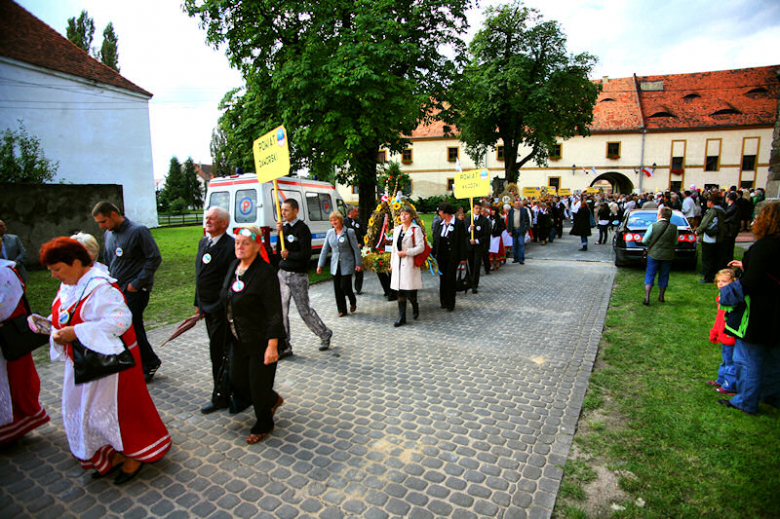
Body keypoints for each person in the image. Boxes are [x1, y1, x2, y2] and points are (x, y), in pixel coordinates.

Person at [43, 237, 171, 484]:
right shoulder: (70, 285)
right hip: (86, 361)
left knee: (121, 410)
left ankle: (136, 453)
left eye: (57, 269)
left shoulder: (100, 287)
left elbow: (120, 320)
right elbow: (66, 312)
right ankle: (113, 451)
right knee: (91, 411)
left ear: (76, 263)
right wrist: (51, 325)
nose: (54, 276)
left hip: (111, 363)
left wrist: (76, 332)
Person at [221, 226, 285, 443]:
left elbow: (274, 312)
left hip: (261, 340)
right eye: (237, 242)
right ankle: (272, 399)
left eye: (246, 243)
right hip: (238, 338)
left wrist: (273, 345)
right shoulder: (234, 266)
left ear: (258, 246)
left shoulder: (265, 273)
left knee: (258, 386)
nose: (240, 247)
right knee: (238, 381)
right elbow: (226, 295)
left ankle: (264, 424)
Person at [719, 201, 780, 414]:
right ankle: (771, 395)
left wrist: (729, 293)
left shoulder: (764, 247)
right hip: (775, 310)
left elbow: (752, 282)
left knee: (748, 359)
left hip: (759, 312)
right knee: (773, 358)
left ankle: (746, 400)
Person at [92, 202, 163, 382]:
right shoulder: (109, 234)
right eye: (99, 223)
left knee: (131, 326)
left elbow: (154, 258)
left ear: (113, 215)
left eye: (103, 221)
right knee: (128, 327)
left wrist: (136, 283)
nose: (101, 226)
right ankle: (140, 362)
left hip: (135, 290)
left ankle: (149, 362)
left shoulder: (138, 231)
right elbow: (109, 260)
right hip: (117, 290)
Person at [0, 260, 50, 445]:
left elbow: (10, 305)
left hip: (8, 338)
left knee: (16, 380)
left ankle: (16, 424)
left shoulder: (4, 272)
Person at [275, 199, 332, 356]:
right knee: (281, 310)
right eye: (282, 210)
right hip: (283, 274)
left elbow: (305, 254)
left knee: (304, 310)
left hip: (298, 275)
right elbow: (280, 251)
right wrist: (279, 234)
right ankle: (284, 345)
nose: (283, 213)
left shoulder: (302, 229)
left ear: (295, 210)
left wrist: (289, 255)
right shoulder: (284, 228)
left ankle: (324, 333)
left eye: (286, 210)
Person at [195, 207, 236, 414]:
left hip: (221, 309)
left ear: (224, 223)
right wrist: (198, 303)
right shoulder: (204, 243)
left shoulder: (230, 246)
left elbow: (230, 280)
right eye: (207, 218)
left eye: (212, 219)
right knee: (216, 351)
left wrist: (223, 305)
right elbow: (199, 275)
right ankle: (224, 391)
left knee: (219, 352)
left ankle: (221, 396)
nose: (208, 221)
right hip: (207, 306)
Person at [317, 211, 362, 317]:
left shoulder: (349, 232)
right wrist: (320, 265)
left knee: (345, 286)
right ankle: (342, 309)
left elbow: (356, 249)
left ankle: (352, 300)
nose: (334, 222)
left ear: (340, 220)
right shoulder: (330, 233)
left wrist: (358, 263)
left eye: (335, 220)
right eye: (332, 221)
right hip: (335, 264)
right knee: (337, 288)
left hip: (347, 262)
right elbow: (325, 249)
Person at [390, 207, 425, 326]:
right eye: (401, 214)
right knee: (400, 292)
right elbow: (394, 249)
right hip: (398, 264)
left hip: (409, 264)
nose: (403, 216)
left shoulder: (415, 229)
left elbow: (421, 247)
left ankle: (415, 305)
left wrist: (407, 252)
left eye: (406, 214)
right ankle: (402, 317)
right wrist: (392, 264)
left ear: (411, 216)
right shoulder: (397, 230)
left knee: (410, 292)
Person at [707, 268, 738, 395]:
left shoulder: (733, 299)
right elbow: (719, 318)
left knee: (731, 361)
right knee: (725, 358)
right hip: (722, 333)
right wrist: (715, 331)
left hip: (730, 334)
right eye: (718, 281)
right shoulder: (721, 297)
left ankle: (730, 386)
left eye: (724, 281)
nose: (720, 284)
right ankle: (721, 380)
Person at [432, 203, 467, 312]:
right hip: (441, 256)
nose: (439, 214)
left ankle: (450, 302)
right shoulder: (439, 224)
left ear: (446, 212)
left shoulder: (459, 224)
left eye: (440, 211)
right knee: (442, 278)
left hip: (453, 256)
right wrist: (432, 254)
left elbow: (462, 241)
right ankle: (443, 301)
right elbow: (436, 240)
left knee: (450, 278)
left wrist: (463, 257)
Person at [640, 207, 678, 305]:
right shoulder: (674, 228)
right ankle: (661, 296)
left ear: (660, 215)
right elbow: (676, 242)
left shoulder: (653, 226)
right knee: (664, 275)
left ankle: (647, 298)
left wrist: (651, 244)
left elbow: (644, 240)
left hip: (653, 254)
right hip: (668, 255)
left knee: (650, 274)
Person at [696, 194, 725, 283]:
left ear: (711, 202)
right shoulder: (722, 210)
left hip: (709, 237)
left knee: (707, 258)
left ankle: (708, 276)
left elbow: (705, 223)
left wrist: (698, 231)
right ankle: (713, 274)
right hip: (718, 237)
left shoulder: (712, 211)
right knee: (715, 258)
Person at [467, 202, 490, 293]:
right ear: (473, 208)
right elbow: (464, 232)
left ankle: (474, 284)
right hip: (469, 246)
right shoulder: (468, 219)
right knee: (471, 264)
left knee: (477, 264)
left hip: (478, 246)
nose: (478, 210)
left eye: (479, 208)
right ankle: (470, 280)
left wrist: (477, 241)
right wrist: (469, 229)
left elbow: (486, 235)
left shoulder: (484, 220)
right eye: (476, 208)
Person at [343, 206, 365, 295]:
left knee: (359, 269)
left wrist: (362, 244)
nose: (357, 213)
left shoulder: (359, 221)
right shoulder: (344, 222)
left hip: (358, 248)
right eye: (356, 212)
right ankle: (346, 289)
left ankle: (358, 288)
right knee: (347, 270)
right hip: (348, 249)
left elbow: (364, 234)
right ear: (351, 212)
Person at [507, 199, 530, 264]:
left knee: (521, 244)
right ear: (514, 204)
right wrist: (509, 230)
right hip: (514, 230)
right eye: (516, 204)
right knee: (514, 245)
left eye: (518, 204)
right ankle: (516, 258)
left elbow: (527, 220)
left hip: (521, 229)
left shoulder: (524, 210)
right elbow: (509, 221)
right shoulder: (511, 211)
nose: (517, 205)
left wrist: (526, 229)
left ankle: (521, 259)